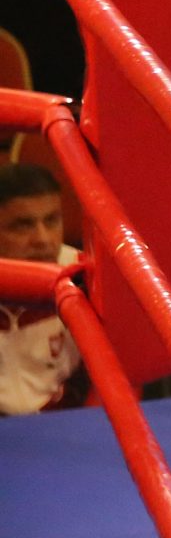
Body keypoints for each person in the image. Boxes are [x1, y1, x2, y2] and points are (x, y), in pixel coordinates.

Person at [0, 161, 83, 415]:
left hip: (65, 421)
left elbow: (124, 377)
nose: (43, 239)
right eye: (22, 225)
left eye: (51, 220)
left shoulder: (85, 275)